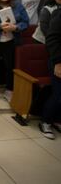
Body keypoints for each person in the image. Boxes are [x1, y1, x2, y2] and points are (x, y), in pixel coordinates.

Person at [39, 9, 61, 139]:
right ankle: (46, 121)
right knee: (58, 94)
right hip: (58, 60)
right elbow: (52, 39)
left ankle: (57, 120)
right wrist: (58, 62)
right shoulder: (59, 14)